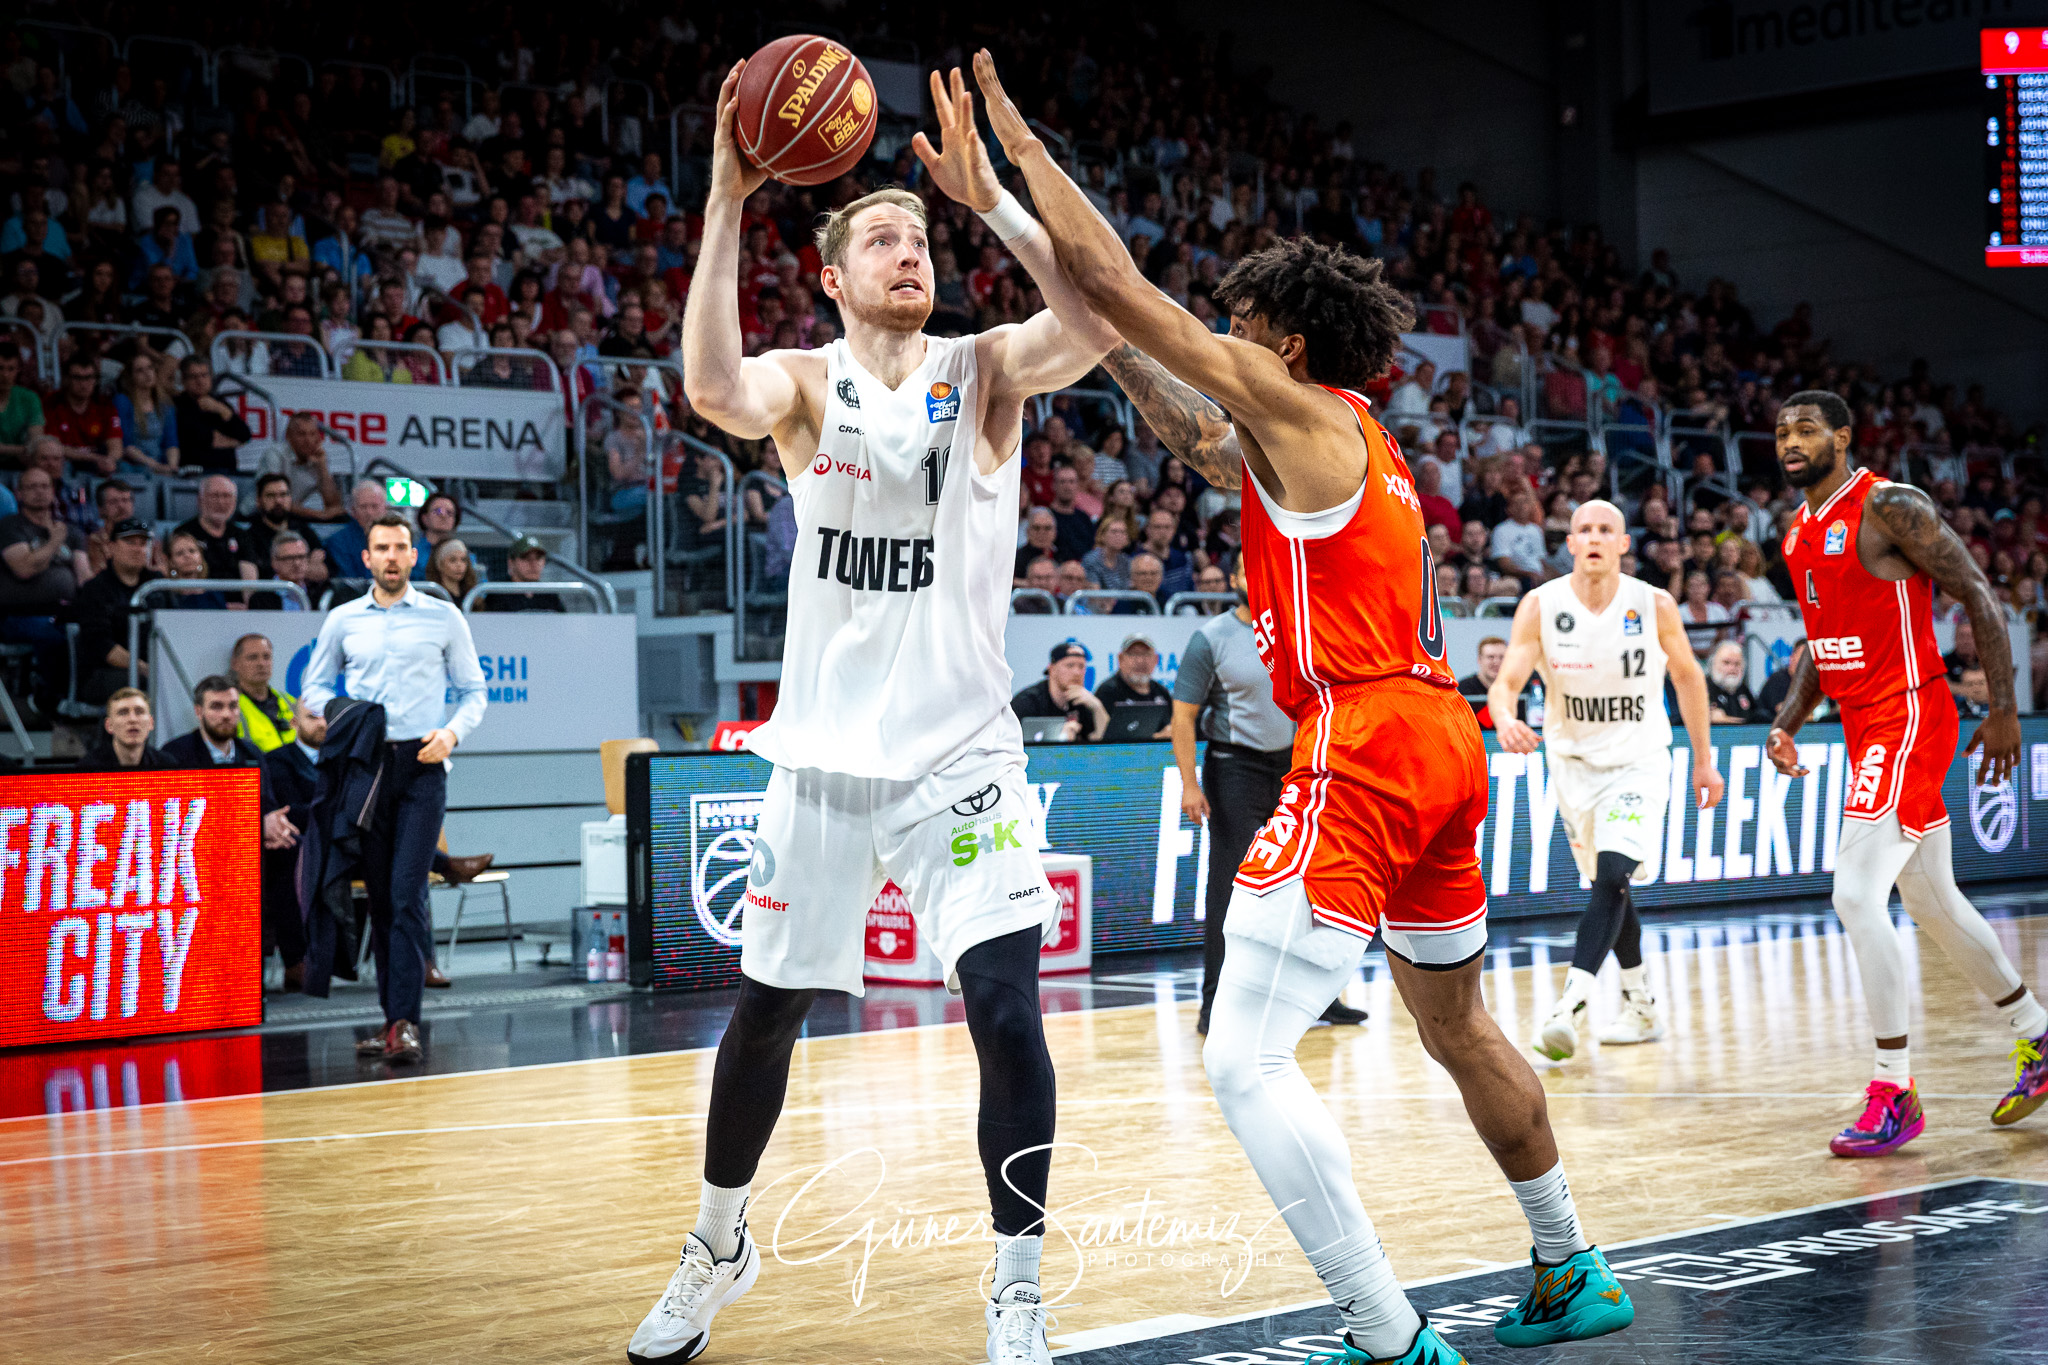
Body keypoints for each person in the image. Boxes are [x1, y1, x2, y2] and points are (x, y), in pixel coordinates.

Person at [987, 50, 1631, 1362]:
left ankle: (1389, 1334)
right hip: (1441, 739)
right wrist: (1085, 309)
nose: (1218, 331)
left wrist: (1016, 169)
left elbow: (1115, 288)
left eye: (1235, 320)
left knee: (1240, 1060)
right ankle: (1571, 1265)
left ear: (1277, 340)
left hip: (1371, 739)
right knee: (1457, 1025)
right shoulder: (1338, 435)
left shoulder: (1296, 409)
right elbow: (1177, 413)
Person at [630, 61, 1119, 1365]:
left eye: (918, 235)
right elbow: (710, 390)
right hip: (833, 763)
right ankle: (718, 1245)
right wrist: (729, 196)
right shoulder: (803, 382)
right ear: (835, 278)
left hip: (963, 757)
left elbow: (1104, 322)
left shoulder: (986, 369)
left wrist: (999, 207)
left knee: (1007, 1009)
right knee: (771, 1012)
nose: (909, 250)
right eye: (882, 237)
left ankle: (1016, 1285)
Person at [1766, 391, 2047, 1153]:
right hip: (1865, 724)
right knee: (1929, 897)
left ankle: (1894, 1087)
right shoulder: (1796, 528)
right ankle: (2038, 1034)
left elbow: (1978, 595)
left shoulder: (1889, 504)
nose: (1792, 441)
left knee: (1856, 893)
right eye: (1783, 431)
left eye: (1807, 429)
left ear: (1843, 437)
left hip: (1911, 712)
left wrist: (2005, 708)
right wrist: (1788, 723)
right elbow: (1822, 647)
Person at [1490, 500, 1723, 1061]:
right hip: (1572, 766)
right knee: (1608, 885)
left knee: (1614, 874)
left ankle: (1570, 1003)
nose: (1594, 538)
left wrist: (1703, 759)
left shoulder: (1654, 603)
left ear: (1623, 544)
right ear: (1569, 544)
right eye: (1583, 530)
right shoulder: (1540, 605)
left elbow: (1689, 678)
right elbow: (1507, 681)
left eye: (1606, 530)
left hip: (1640, 760)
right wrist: (1505, 718)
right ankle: (1641, 1004)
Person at [300, 514, 487, 1064]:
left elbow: (474, 691)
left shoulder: (443, 615)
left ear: (413, 556)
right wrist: (329, 719)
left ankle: (404, 1022)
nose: (389, 556)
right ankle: (392, 1021)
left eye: (400, 548)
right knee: (382, 899)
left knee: (406, 893)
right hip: (364, 766)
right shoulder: (342, 619)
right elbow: (313, 685)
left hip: (422, 764)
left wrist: (452, 733)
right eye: (380, 547)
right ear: (366, 557)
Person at [1173, 555, 1361, 1035]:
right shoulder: (1210, 637)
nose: (1253, 579)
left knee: (1315, 882)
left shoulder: (1297, 629)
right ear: (1232, 579)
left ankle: (1320, 998)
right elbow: (1183, 718)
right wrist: (1190, 784)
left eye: (1261, 570)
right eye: (1244, 571)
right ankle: (1213, 1004)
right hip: (1234, 766)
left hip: (1294, 766)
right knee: (1229, 884)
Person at [260, 698, 326, 990]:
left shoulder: (346, 760)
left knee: (394, 849)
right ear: (294, 723)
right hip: (306, 842)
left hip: (345, 844)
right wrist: (335, 813)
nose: (322, 724)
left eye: (327, 717)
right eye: (313, 717)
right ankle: (297, 961)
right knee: (289, 848)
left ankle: (421, 962)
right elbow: (291, 812)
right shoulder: (278, 760)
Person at [72, 517, 161, 705]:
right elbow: (100, 644)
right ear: (111, 547)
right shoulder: (95, 589)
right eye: (129, 542)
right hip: (102, 673)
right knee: (149, 683)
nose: (138, 549)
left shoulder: (158, 585)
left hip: (153, 668)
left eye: (143, 543)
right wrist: (143, 667)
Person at [1009, 641, 1110, 741]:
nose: (1077, 672)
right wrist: (1061, 738)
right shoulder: (1028, 702)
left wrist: (1097, 707)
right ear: (1052, 669)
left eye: (1081, 666)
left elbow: (1101, 742)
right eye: (1070, 665)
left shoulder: (1082, 702)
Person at [256, 411, 346, 521]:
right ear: (289, 436)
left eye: (312, 434)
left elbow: (333, 505)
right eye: (301, 434)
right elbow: (274, 498)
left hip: (290, 518)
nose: (308, 440)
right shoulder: (275, 454)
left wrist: (322, 467)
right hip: (257, 515)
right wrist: (319, 515)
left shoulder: (318, 458)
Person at [171, 356, 253, 472]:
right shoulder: (177, 405)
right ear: (184, 380)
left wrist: (221, 410)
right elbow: (200, 439)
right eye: (194, 377)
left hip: (227, 473)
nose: (200, 381)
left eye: (204, 375)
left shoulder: (220, 403)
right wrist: (232, 442)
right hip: (194, 472)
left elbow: (245, 435)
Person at [174, 474, 256, 584]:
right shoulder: (184, 533)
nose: (220, 502)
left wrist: (249, 601)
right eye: (214, 496)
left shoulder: (241, 535)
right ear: (200, 500)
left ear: (235, 501)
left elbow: (249, 578)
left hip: (237, 600)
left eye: (226, 496)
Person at [74, 687, 174, 771]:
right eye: (123, 713)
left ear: (151, 723)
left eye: (139, 712)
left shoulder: (167, 765)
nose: (132, 719)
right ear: (109, 725)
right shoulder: (89, 768)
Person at [1092, 631, 1172, 734]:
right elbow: (1106, 736)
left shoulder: (1161, 692)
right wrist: (1155, 738)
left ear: (1156, 659)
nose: (1140, 661)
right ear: (1120, 659)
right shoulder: (1108, 691)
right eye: (1133, 654)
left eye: (1146, 654)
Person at [228, 633, 296, 750]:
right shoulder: (229, 707)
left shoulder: (291, 702)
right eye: (252, 657)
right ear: (235, 664)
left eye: (266, 657)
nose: (261, 664)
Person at [321, 479, 391, 584]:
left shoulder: (399, 537)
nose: (369, 512)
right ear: (353, 510)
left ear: (385, 509)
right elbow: (350, 580)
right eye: (363, 507)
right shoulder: (338, 541)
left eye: (374, 506)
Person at [475, 534, 566, 612]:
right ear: (511, 562)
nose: (533, 564)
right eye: (526, 558)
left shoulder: (549, 595)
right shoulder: (499, 594)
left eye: (538, 558)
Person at [1704, 639, 1758, 723]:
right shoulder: (1703, 688)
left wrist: (1726, 720)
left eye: (1737, 664)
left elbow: (1758, 719)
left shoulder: (1743, 689)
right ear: (1713, 663)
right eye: (1726, 663)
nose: (1732, 668)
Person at [426, 537, 479, 603]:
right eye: (452, 560)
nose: (459, 565)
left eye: (463, 560)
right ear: (440, 564)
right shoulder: (431, 598)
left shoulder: (473, 595)